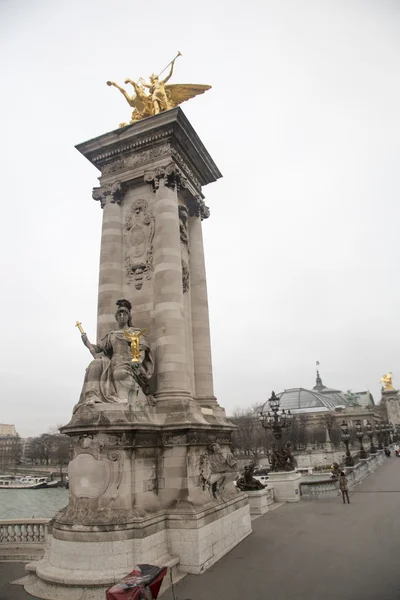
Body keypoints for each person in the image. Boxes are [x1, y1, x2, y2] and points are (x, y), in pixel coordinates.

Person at [73, 299, 154, 413]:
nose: (121, 316)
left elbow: (141, 350)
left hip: (129, 363)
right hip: (113, 363)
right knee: (95, 364)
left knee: (119, 373)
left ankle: (121, 399)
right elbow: (98, 348)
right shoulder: (112, 334)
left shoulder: (135, 332)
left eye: (124, 314)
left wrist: (137, 361)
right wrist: (87, 342)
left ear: (128, 317)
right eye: (119, 314)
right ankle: (93, 396)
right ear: (116, 317)